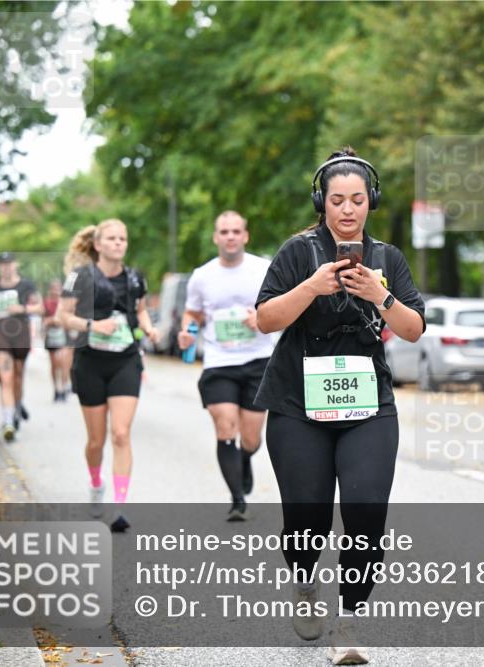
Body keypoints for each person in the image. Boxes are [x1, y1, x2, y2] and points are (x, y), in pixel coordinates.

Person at [255, 148, 425, 665]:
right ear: (321, 203)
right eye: (337, 200)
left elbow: (413, 330)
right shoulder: (297, 252)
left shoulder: (387, 258)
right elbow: (265, 319)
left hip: (368, 403)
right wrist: (312, 286)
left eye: (357, 199)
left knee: (366, 514)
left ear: (370, 201)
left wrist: (381, 296)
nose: (348, 209)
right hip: (297, 403)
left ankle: (348, 621)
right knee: (307, 519)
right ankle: (305, 584)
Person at [56, 220, 160, 532]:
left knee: (120, 434)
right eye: (112, 239)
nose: (118, 243)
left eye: (122, 239)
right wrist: (92, 326)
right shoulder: (80, 277)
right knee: (96, 441)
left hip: (126, 360)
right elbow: (62, 316)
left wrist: (150, 327)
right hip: (90, 362)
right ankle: (96, 482)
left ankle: (119, 506)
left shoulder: (134, 277)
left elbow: (140, 310)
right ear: (98, 245)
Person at [178, 210, 277, 521]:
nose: (230, 236)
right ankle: (237, 500)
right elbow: (192, 315)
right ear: (215, 237)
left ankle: (244, 459)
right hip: (219, 362)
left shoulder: (263, 269)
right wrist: (187, 334)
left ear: (245, 236)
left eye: (236, 231)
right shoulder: (202, 276)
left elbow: (280, 307)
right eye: (224, 232)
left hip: (258, 360)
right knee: (225, 427)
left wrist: (260, 318)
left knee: (251, 438)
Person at [0, 252, 43, 442]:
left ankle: (16, 407)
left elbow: (40, 308)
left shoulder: (26, 285)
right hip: (0, 333)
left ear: (16, 264)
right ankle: (8, 422)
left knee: (17, 377)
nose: (6, 267)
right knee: (6, 378)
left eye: (9, 263)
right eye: (3, 264)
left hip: (20, 333)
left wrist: (23, 309)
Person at [43, 279, 72, 402]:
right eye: (53, 288)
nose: (56, 291)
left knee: (64, 363)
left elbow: (72, 319)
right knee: (54, 365)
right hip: (51, 336)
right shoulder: (46, 303)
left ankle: (64, 386)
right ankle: (56, 389)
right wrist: (51, 321)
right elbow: (43, 321)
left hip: (65, 336)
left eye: (58, 288)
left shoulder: (68, 303)